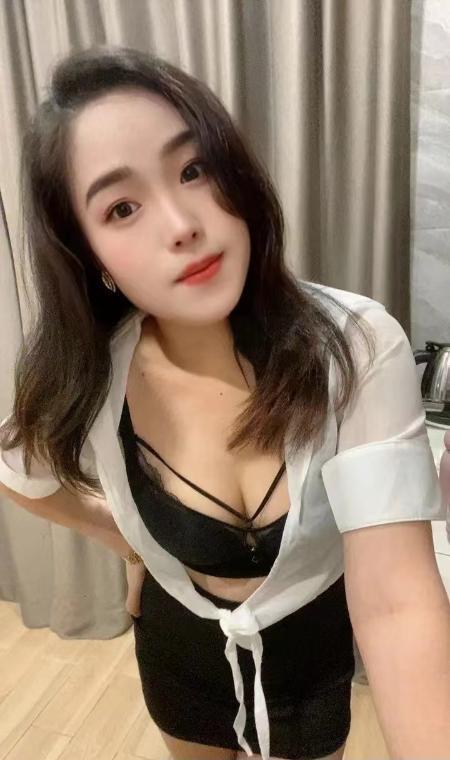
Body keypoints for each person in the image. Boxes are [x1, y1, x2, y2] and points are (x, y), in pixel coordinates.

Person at [0, 45, 449, 760]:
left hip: (310, 661)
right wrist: (126, 539)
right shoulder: (93, 369)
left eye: (194, 169)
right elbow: (20, 473)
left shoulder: (357, 349)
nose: (182, 222)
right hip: (180, 653)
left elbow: (399, 603)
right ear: (90, 256)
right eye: (121, 208)